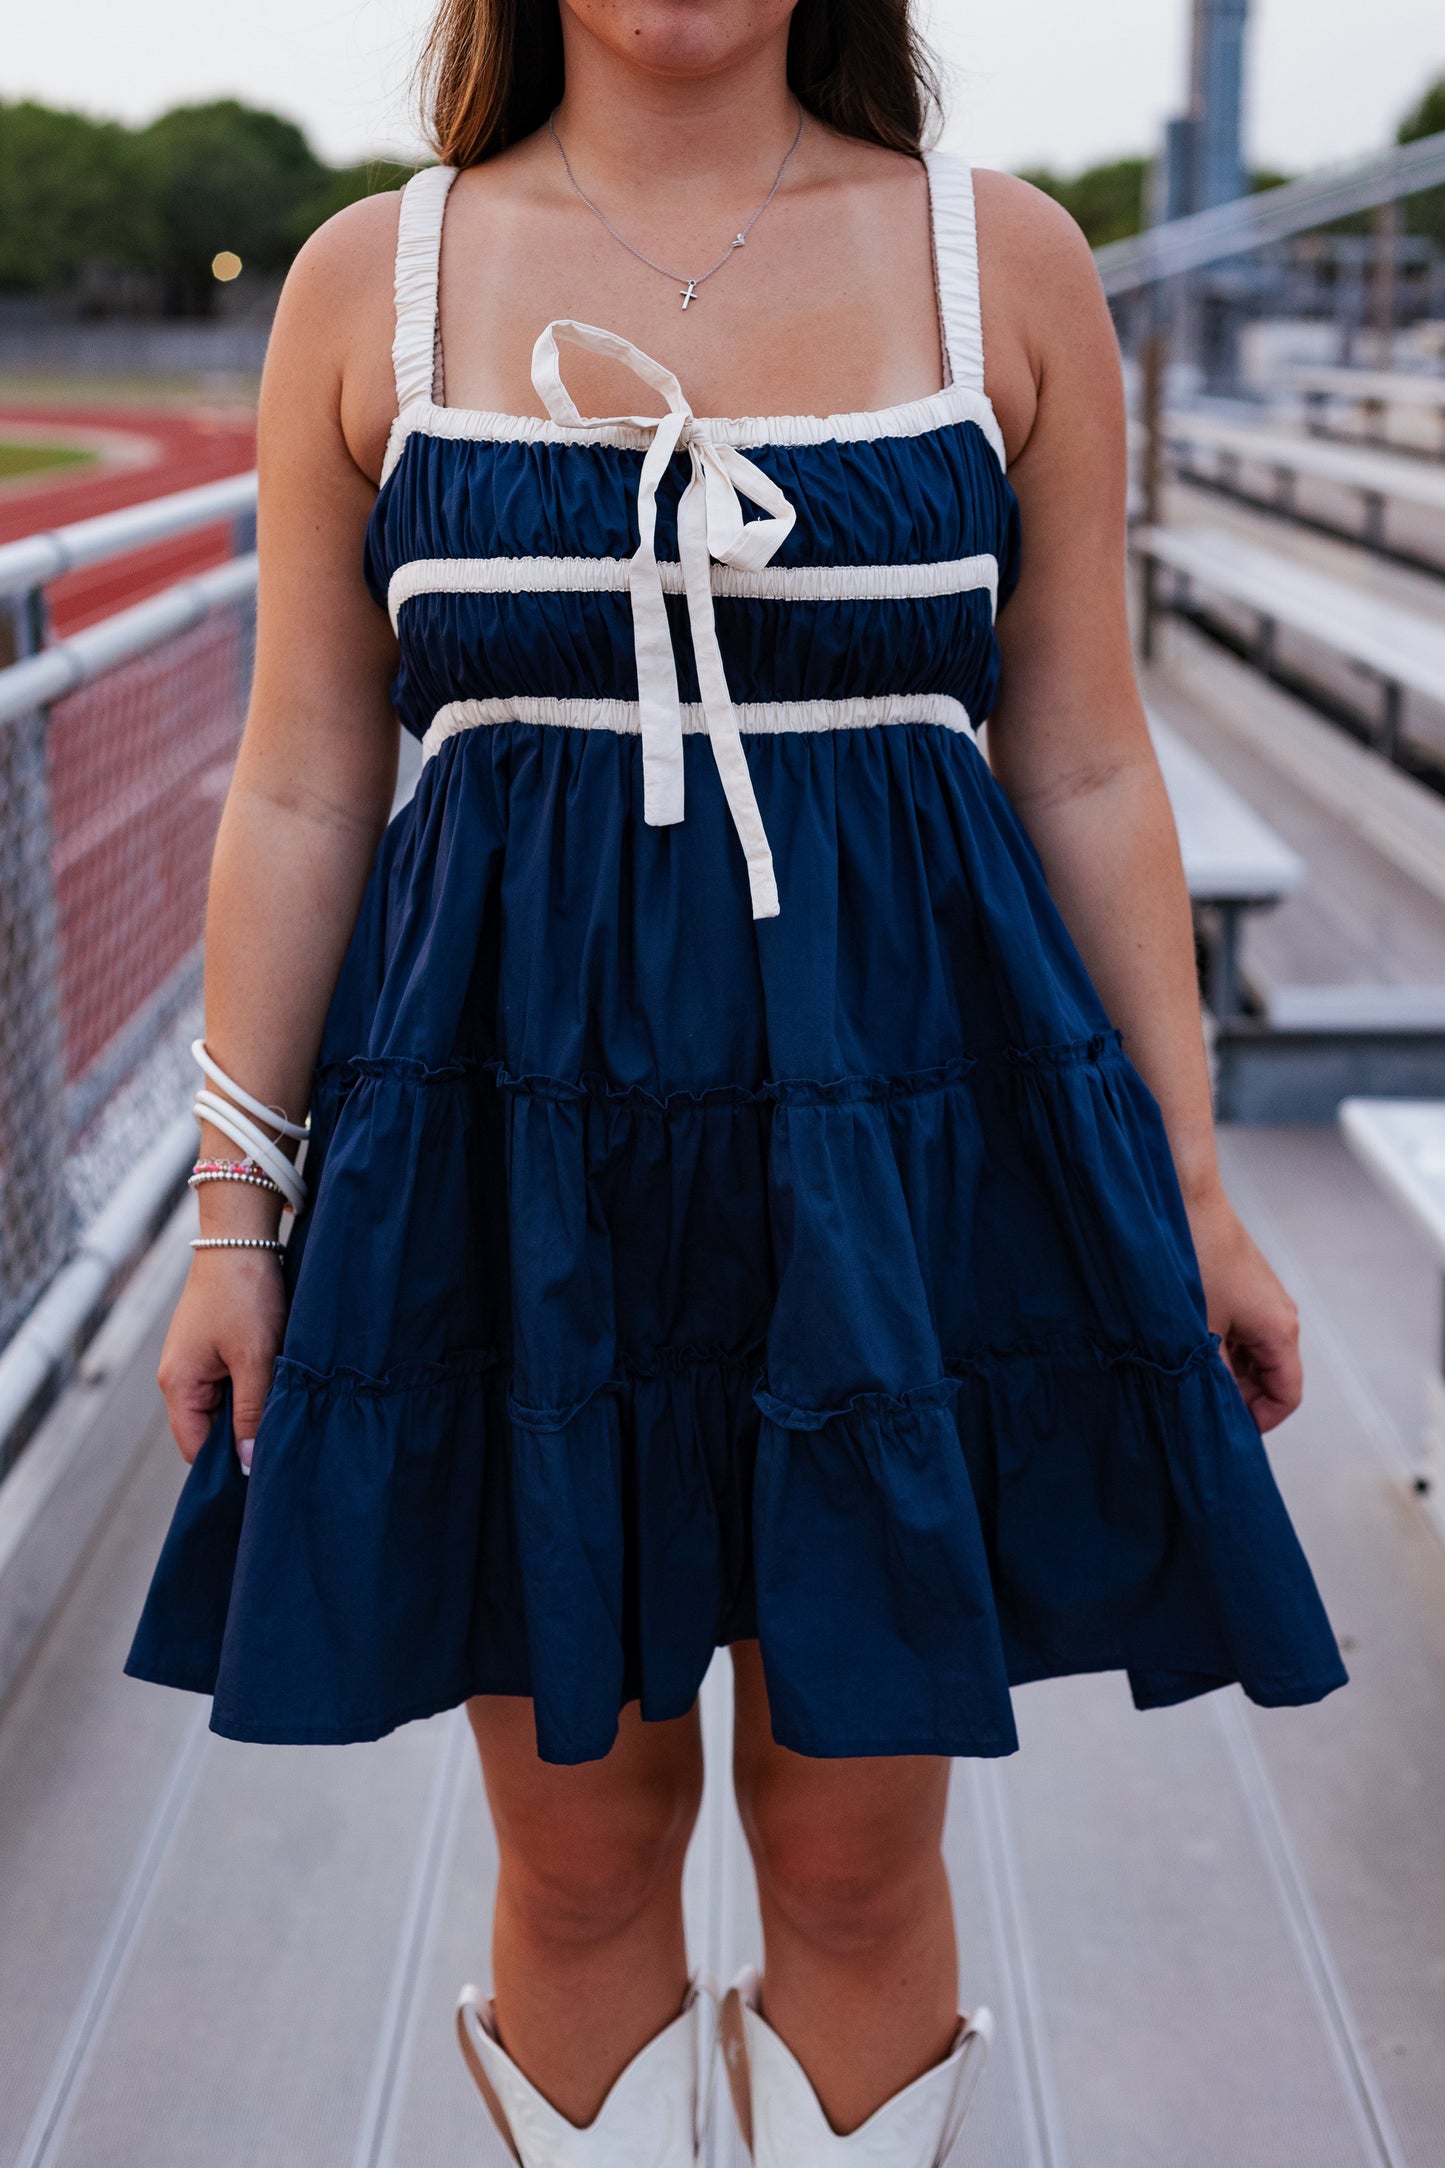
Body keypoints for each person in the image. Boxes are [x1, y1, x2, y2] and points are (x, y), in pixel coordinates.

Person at [125, 1, 1348, 2160]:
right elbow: (305, 782)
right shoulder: (367, 281)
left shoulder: (1012, 267)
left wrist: (1195, 1192)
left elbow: (1079, 753)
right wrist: (238, 1220)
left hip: (909, 1145)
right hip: (515, 1155)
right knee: (585, 1849)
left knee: (855, 1840)